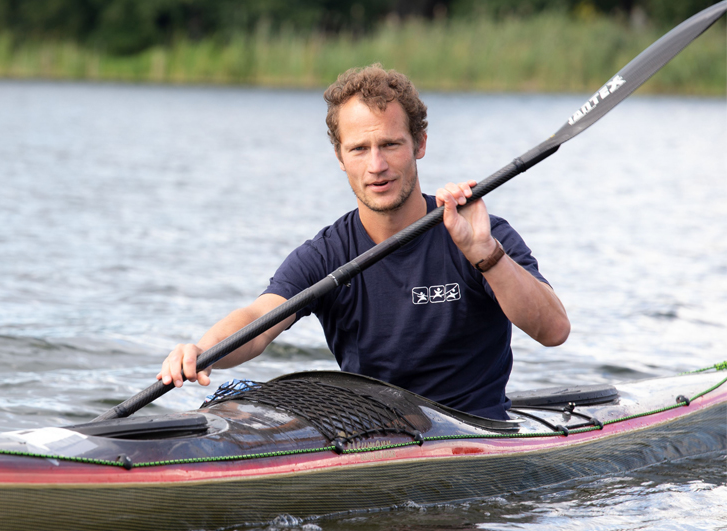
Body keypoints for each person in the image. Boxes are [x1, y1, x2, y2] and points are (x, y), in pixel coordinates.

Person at [157, 64, 570, 420]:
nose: (376, 165)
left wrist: (485, 255)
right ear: (340, 158)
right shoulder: (326, 254)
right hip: (375, 433)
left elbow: (554, 331)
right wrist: (202, 350)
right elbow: (259, 320)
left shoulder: (480, 232)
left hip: (476, 434)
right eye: (359, 149)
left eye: (390, 144)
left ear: (420, 144)